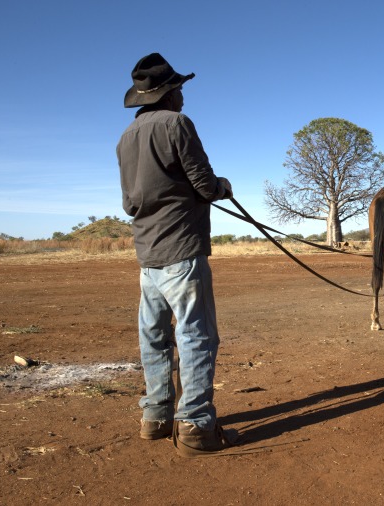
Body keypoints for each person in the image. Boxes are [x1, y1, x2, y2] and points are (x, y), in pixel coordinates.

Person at [117, 53, 233, 457]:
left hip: (147, 254)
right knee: (196, 335)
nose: (183, 96)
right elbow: (203, 184)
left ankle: (156, 417)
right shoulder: (177, 124)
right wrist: (223, 186)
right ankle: (196, 425)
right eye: (180, 89)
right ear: (170, 94)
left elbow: (130, 204)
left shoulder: (125, 138)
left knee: (154, 336)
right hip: (182, 249)